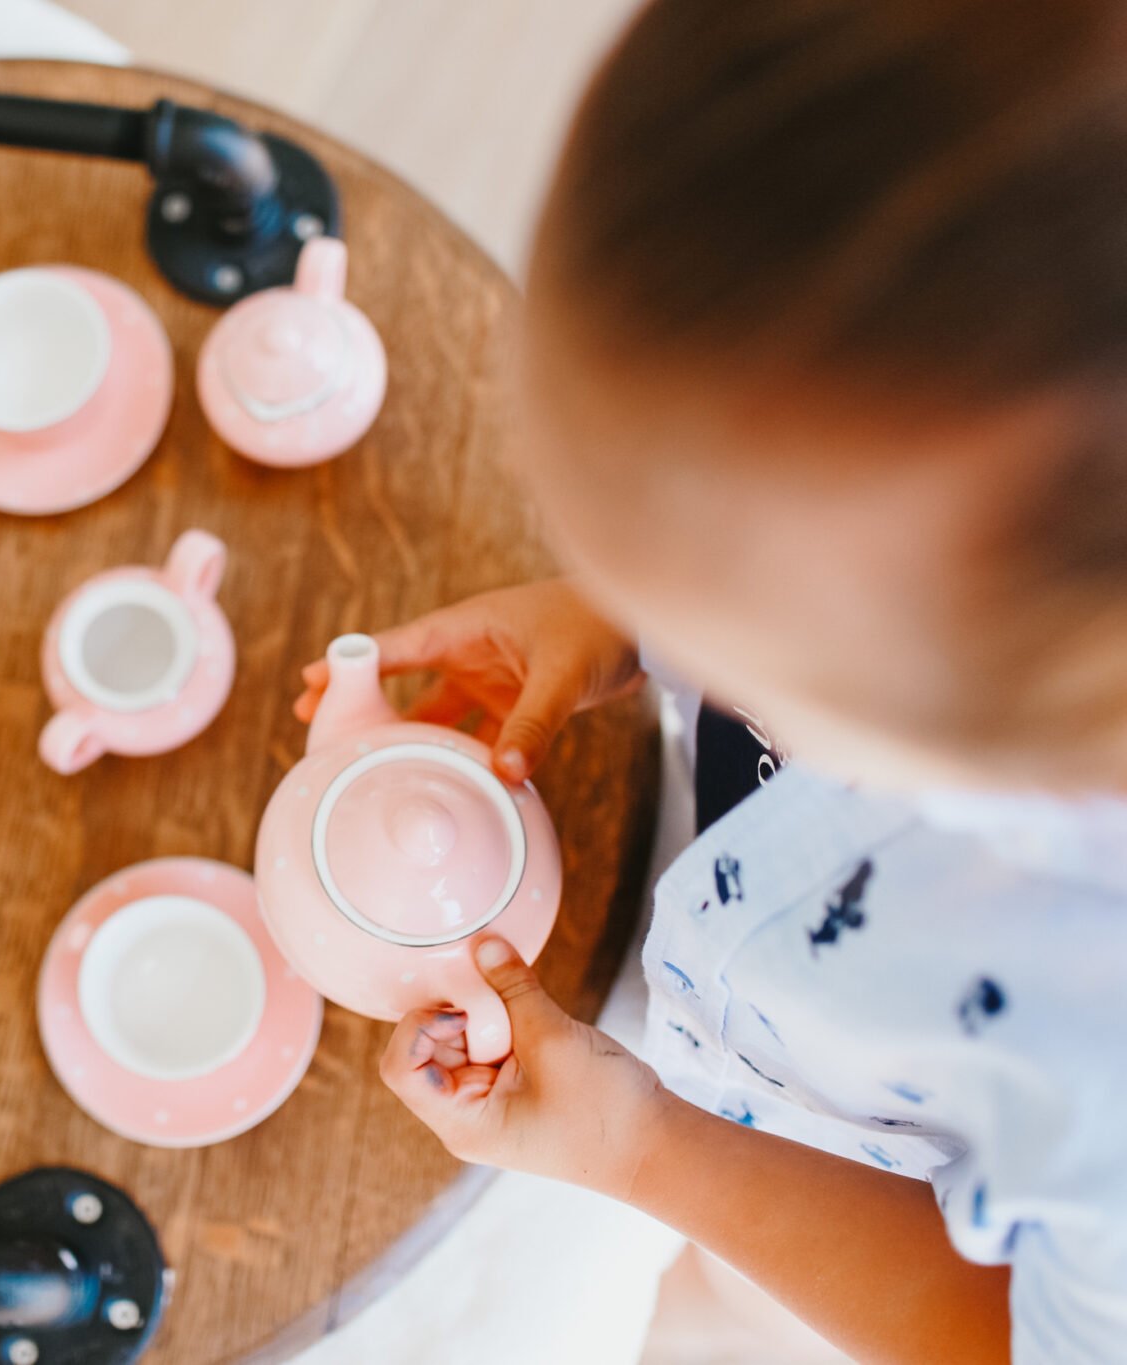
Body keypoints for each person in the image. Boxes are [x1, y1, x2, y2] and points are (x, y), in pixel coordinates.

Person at [295, 3, 1127, 1361]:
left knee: (712, 1316)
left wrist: (648, 1154)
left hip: (864, 1193)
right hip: (774, 1002)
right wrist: (630, 609)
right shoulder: (998, 589)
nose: (685, 664)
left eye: (730, 653)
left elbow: (1000, 1338)